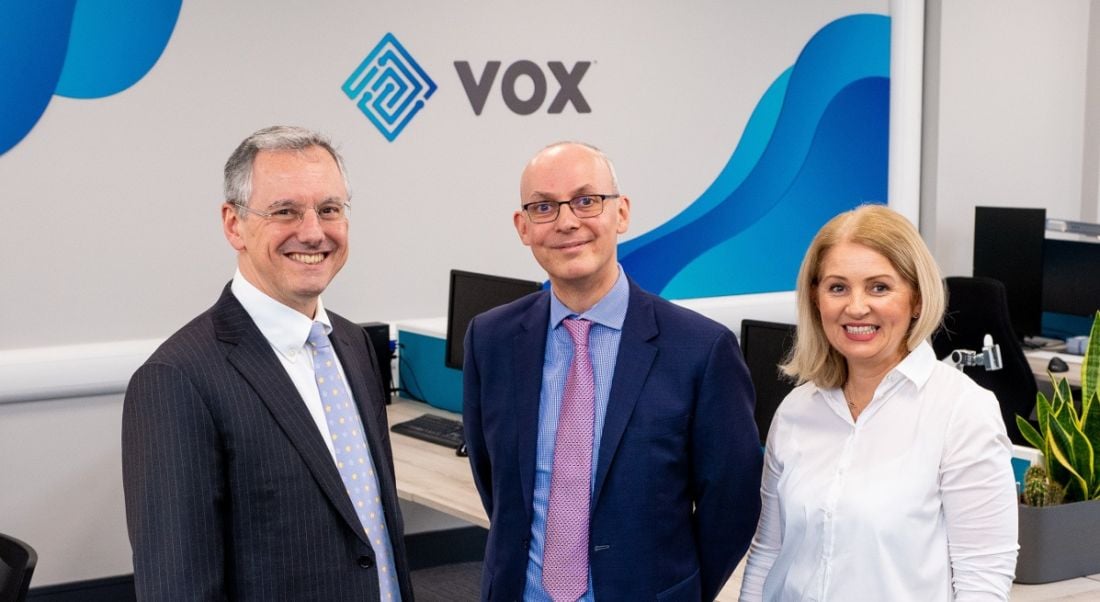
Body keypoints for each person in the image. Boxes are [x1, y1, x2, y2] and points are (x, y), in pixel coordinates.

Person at [462, 141, 762, 601]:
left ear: (621, 213)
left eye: (587, 201)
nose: (567, 221)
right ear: (523, 227)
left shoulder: (701, 349)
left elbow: (733, 503)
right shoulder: (491, 339)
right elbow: (497, 484)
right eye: (544, 207)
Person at [122, 126, 412, 601]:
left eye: (329, 209)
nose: (314, 232)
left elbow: (372, 530)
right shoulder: (176, 380)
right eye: (285, 211)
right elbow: (177, 587)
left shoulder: (353, 344)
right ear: (234, 224)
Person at [739, 204, 1019, 601]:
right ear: (817, 300)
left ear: (917, 299)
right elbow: (769, 553)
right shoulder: (797, 410)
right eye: (837, 287)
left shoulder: (961, 411)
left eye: (879, 287)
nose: (855, 307)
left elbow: (984, 578)